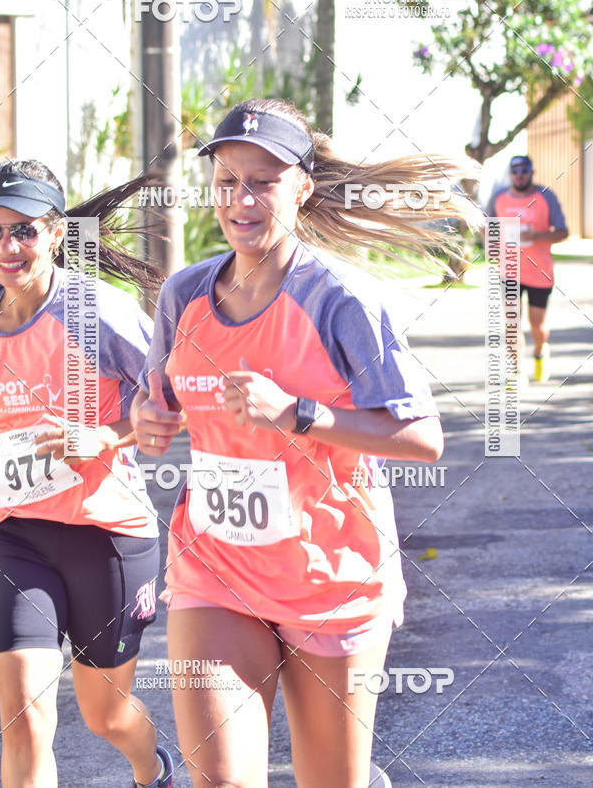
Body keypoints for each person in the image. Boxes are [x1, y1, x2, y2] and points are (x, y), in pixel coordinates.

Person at [132, 99, 477, 787]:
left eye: (263, 180)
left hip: (332, 578)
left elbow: (423, 437)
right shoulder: (184, 295)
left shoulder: (342, 299)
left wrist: (298, 414)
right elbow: (158, 400)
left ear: (302, 188)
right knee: (222, 780)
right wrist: (148, 418)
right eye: (227, 180)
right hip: (217, 570)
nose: (241, 199)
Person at [0, 160, 173, 788]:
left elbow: (167, 401)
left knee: (106, 716)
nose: (7, 248)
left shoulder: (97, 311)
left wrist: (103, 434)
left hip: (105, 534)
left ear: (56, 232)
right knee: (25, 716)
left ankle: (153, 770)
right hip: (12, 535)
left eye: (24, 231)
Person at [485, 155, 568, 384]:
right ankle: (516, 370)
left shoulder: (545, 196)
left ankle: (540, 353)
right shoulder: (499, 199)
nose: (519, 174)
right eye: (515, 171)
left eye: (524, 170)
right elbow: (487, 228)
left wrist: (537, 236)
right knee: (512, 323)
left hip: (540, 272)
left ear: (531, 172)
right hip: (510, 269)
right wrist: (491, 245)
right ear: (510, 174)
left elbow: (562, 231)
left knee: (537, 324)